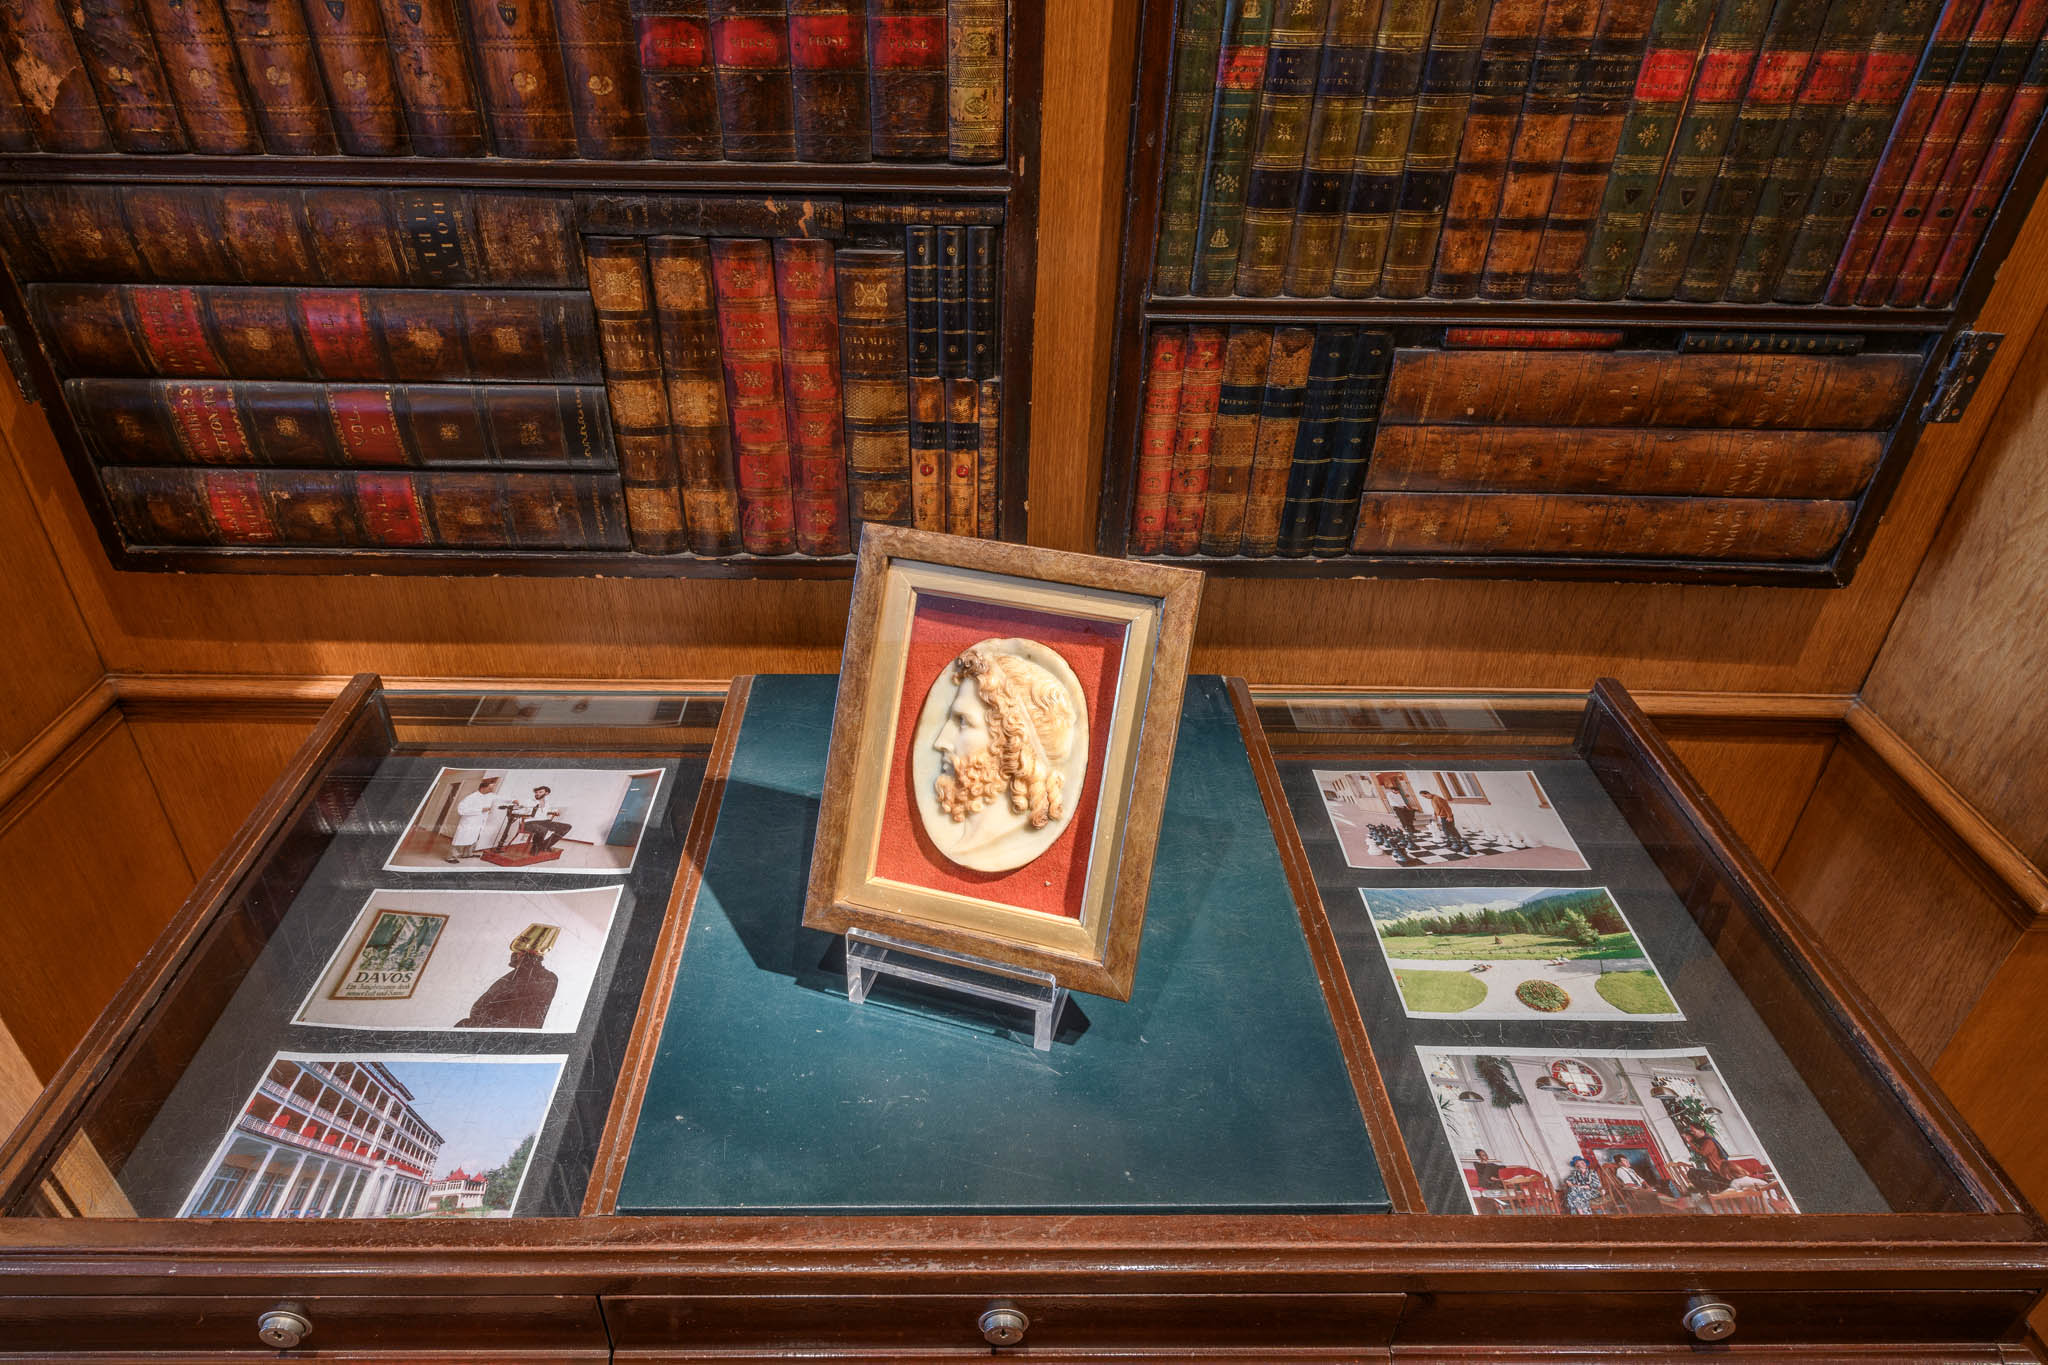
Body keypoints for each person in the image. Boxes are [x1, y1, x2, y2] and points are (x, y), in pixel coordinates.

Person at [926, 639, 1083, 870]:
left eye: (963, 722)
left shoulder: (1009, 846)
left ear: (1012, 743)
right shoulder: (963, 844)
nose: (941, 743)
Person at [456, 924, 560, 1029]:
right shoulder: (517, 975)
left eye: (520, 952)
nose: (515, 954)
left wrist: (529, 957)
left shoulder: (544, 977)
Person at [445, 777, 501, 863]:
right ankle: (450, 857)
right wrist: (480, 810)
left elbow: (501, 798)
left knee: (474, 839)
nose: (492, 790)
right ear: (483, 788)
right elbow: (461, 810)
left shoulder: (490, 796)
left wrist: (513, 800)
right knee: (461, 839)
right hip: (469, 822)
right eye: (490, 788)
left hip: (479, 823)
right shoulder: (471, 797)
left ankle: (467, 854)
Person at [516, 785, 572, 855]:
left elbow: (551, 809)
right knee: (542, 829)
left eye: (540, 792)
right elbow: (518, 803)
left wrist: (556, 811)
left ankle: (545, 845)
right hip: (529, 823)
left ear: (546, 793)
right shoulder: (529, 801)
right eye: (536, 792)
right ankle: (535, 848)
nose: (537, 794)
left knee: (566, 827)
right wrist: (516, 802)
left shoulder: (547, 803)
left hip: (544, 822)